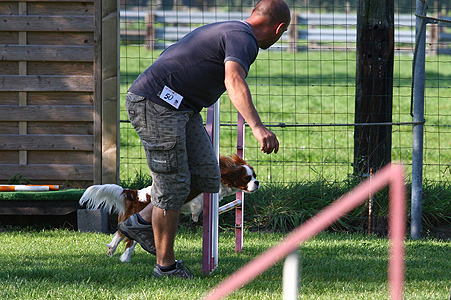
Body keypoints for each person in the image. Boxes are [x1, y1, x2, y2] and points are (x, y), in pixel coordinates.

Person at [119, 0, 291, 279]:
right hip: (156, 104)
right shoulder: (244, 39)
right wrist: (257, 127)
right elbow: (233, 79)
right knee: (172, 183)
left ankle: (139, 222)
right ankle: (166, 267)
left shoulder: (232, 31)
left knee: (206, 176)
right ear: (279, 28)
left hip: (182, 108)